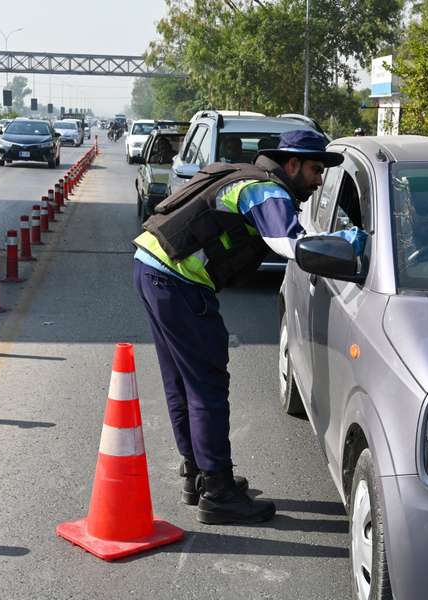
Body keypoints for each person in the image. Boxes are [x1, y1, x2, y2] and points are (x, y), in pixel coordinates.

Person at [132, 130, 364, 525]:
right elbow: (291, 244)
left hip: (152, 267)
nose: (319, 179)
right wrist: (352, 241)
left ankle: (198, 477)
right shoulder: (266, 192)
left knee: (182, 382)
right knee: (206, 386)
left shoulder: (243, 177)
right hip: (176, 282)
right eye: (314, 169)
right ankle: (219, 493)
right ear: (290, 164)